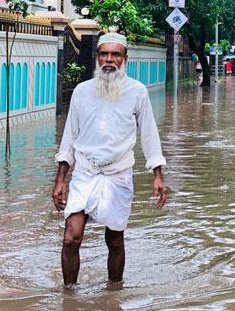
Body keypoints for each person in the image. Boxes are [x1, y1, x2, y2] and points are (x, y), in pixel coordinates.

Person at [51, 32, 168, 286]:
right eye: (104, 54)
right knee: (71, 238)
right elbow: (69, 136)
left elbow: (149, 134)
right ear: (97, 57)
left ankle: (114, 293)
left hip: (118, 175)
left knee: (114, 240)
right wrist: (61, 179)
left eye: (115, 54)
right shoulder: (82, 92)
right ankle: (68, 295)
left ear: (125, 59)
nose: (109, 59)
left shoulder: (137, 92)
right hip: (85, 172)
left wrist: (157, 175)